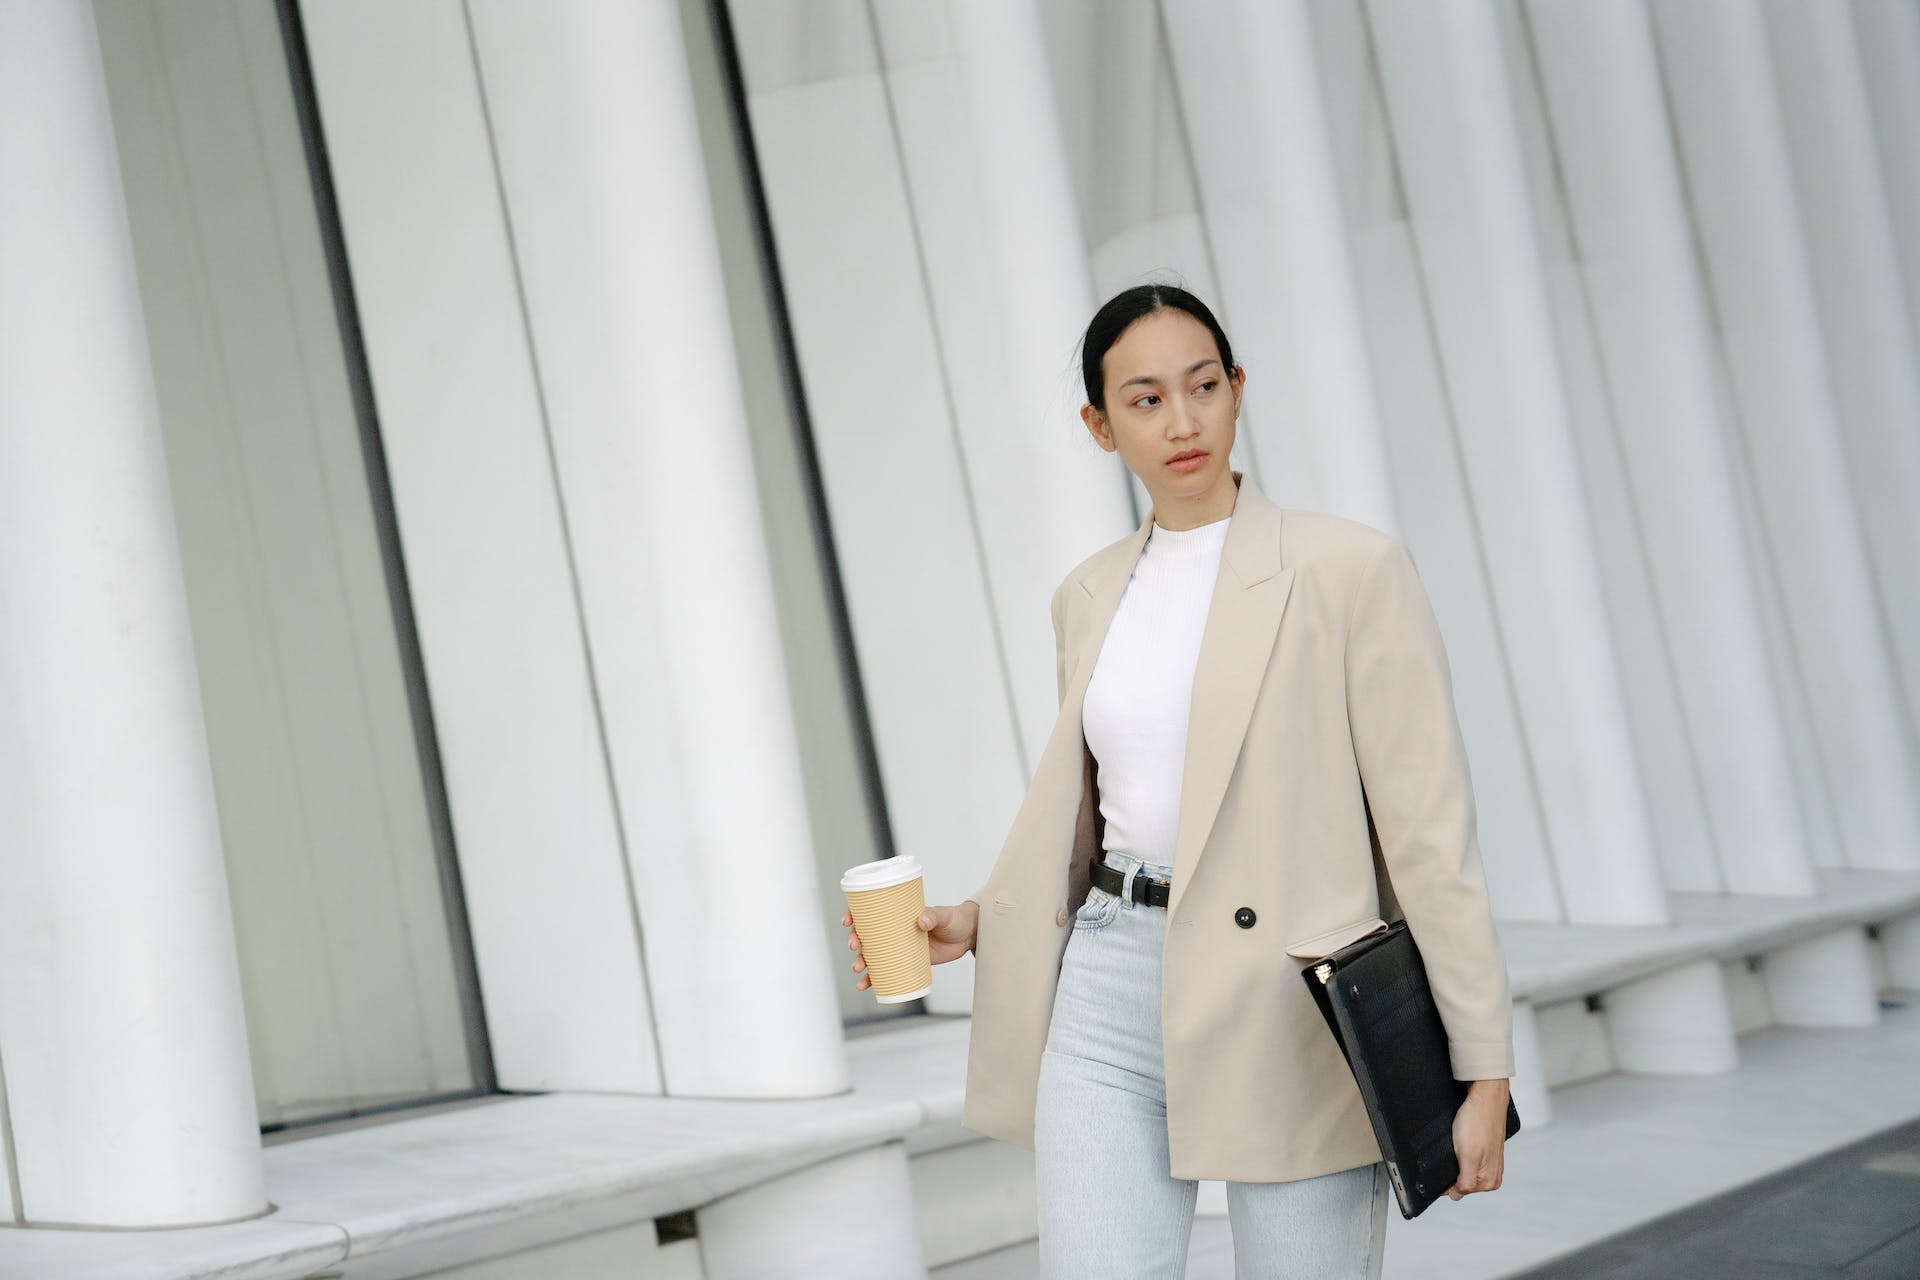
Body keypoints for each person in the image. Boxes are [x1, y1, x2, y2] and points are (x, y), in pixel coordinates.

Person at [842, 284, 1513, 1277]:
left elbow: (1427, 835)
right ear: (1099, 424)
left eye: (1204, 385)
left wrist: (1484, 1066)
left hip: (1291, 1002)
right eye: (1146, 398)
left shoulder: (1348, 569)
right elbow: (1108, 810)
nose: (1183, 419)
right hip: (1108, 989)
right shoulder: (1088, 592)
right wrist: (982, 916)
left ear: (1239, 391)